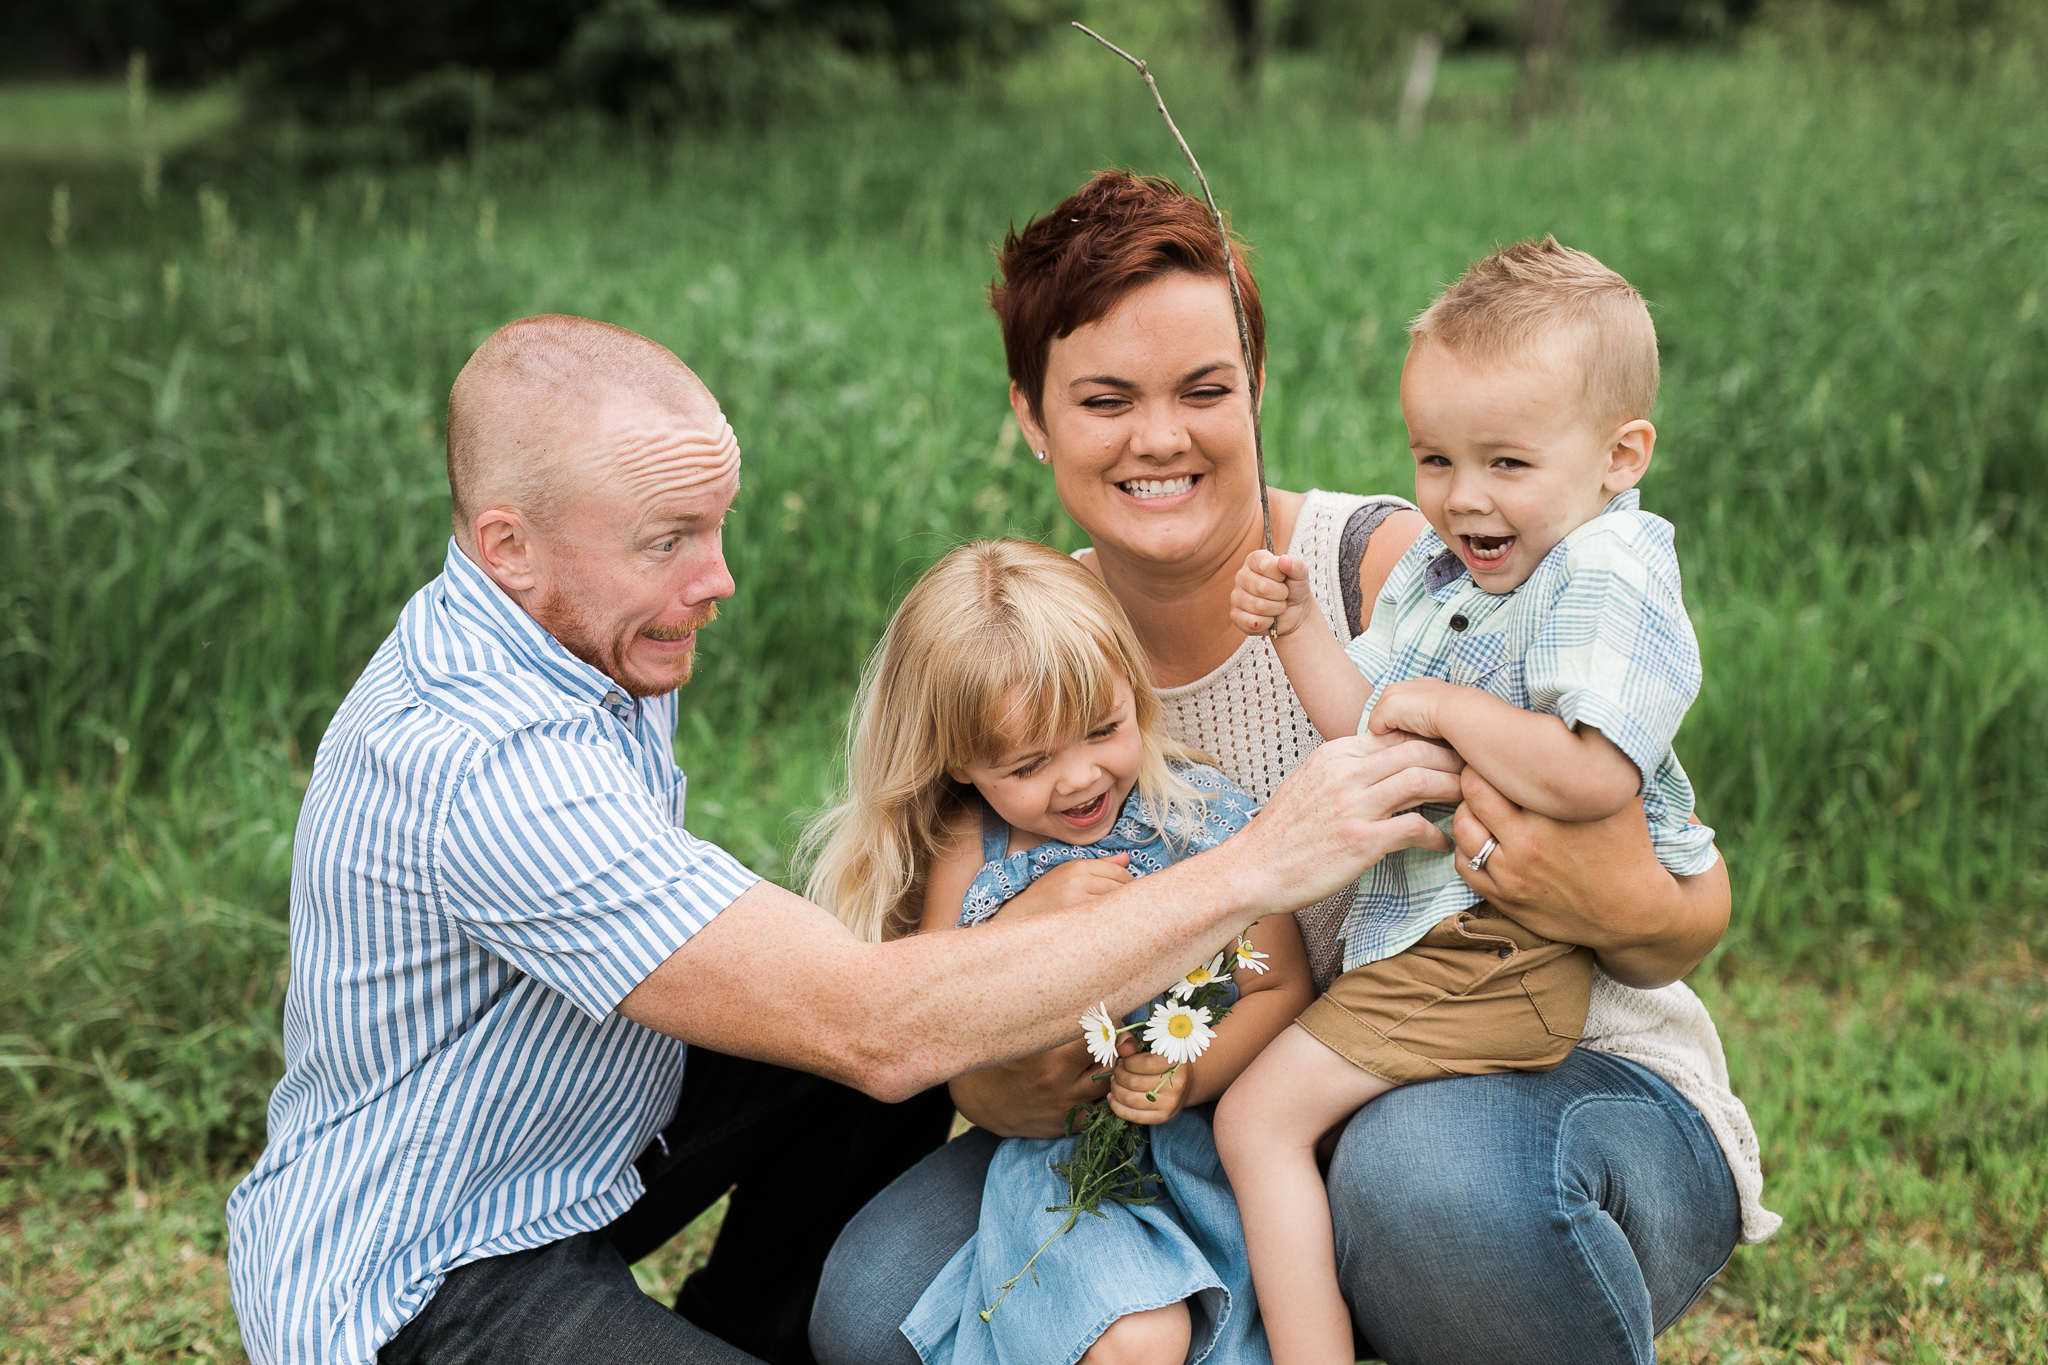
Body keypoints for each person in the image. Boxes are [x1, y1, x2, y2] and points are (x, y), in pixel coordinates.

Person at [223, 313, 1468, 1365]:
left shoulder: (580, 627)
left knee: (864, 995)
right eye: (667, 543)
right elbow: (875, 1028)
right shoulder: (480, 761)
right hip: (428, 1265)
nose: (716, 581)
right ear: (510, 545)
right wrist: (1254, 866)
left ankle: (747, 1328)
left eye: (715, 528)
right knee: (880, 1018)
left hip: (568, 1145)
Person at [812, 172, 1779, 1365]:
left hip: (1543, 1074)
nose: (1159, 436)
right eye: (1104, 398)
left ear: (1254, 390)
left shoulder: (1418, 577)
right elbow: (964, 982)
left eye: (1204, 389)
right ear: (1030, 414)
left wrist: (1639, 910)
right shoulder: (1029, 652)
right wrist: (1013, 1073)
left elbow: (1670, 896)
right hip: (1199, 1124)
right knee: (878, 1309)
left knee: (1420, 1182)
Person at [1216, 236, 1724, 1365]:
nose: (1456, 497)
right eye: (1433, 459)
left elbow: (1594, 770)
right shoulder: (1444, 575)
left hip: (1491, 949)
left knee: (1259, 1119)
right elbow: (1369, 720)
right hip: (1436, 944)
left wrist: (1441, 712)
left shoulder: (1608, 568)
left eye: (1503, 462)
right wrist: (1301, 626)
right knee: (1268, 1118)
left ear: (1618, 454)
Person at [803, 539, 1313, 1365]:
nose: (1078, 779)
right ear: (961, 762)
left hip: (1202, 1147)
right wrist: (1018, 929)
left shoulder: (1197, 815)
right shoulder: (976, 850)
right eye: (1029, 763)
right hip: (1059, 1163)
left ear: (1132, 688)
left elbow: (1281, 983)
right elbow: (934, 1010)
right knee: (1134, 1339)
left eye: (1103, 729)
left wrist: (1190, 1072)